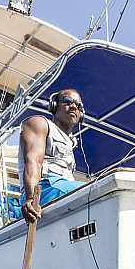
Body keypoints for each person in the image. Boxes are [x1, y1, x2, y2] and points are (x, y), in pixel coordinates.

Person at [18, 89, 85, 223]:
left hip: (65, 189)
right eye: (67, 102)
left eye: (78, 105)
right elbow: (33, 160)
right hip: (44, 189)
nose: (73, 106)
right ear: (54, 106)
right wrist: (31, 198)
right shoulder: (40, 123)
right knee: (94, 189)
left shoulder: (71, 141)